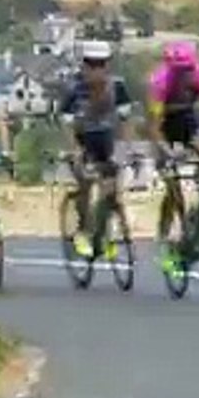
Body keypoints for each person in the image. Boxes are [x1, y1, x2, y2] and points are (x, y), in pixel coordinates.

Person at [146, 40, 199, 278]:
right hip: (165, 127)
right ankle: (164, 242)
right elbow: (153, 126)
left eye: (187, 70)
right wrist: (165, 150)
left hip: (188, 121)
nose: (184, 76)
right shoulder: (160, 82)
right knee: (173, 189)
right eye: (179, 71)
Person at [59, 40, 134, 259]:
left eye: (100, 64)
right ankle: (82, 230)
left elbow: (127, 120)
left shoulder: (117, 86)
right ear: (84, 66)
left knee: (111, 190)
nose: (96, 70)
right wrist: (74, 151)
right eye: (91, 65)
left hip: (106, 142)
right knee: (85, 181)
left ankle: (105, 230)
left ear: (107, 66)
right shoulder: (75, 88)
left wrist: (126, 149)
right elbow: (66, 123)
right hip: (83, 141)